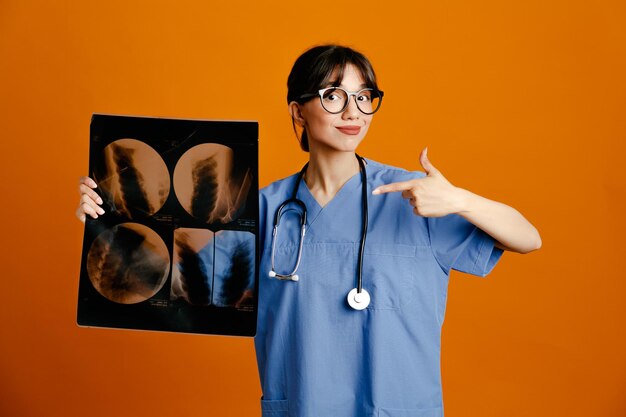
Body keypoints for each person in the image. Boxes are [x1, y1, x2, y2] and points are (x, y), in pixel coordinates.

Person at [77, 45, 541, 417]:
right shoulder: (258, 210)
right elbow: (167, 282)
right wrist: (108, 220)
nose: (352, 109)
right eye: (333, 93)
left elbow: (528, 239)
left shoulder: (414, 196)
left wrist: (461, 199)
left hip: (399, 407)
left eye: (364, 95)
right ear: (298, 111)